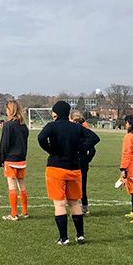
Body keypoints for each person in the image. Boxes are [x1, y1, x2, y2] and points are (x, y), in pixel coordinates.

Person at [37, 101, 100, 245]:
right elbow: (95, 138)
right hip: (74, 168)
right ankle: (80, 236)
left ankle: (64, 238)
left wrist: (50, 150)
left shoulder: (51, 126)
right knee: (74, 203)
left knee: (59, 204)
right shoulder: (76, 127)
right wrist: (80, 147)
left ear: (55, 113)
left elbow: (40, 138)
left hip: (56, 168)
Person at [0, 101, 30, 220]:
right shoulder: (23, 125)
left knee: (12, 186)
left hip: (11, 159)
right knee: (21, 184)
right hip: (21, 160)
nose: (6, 111)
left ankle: (13, 214)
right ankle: (25, 212)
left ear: (10, 110)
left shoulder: (8, 125)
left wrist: (1, 159)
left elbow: (4, 144)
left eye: (6, 109)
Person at [70, 111, 96, 215]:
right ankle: (85, 207)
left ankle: (74, 209)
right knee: (82, 186)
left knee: (73, 186)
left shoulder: (73, 131)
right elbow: (93, 150)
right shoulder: (85, 131)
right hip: (83, 161)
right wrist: (87, 158)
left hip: (74, 161)